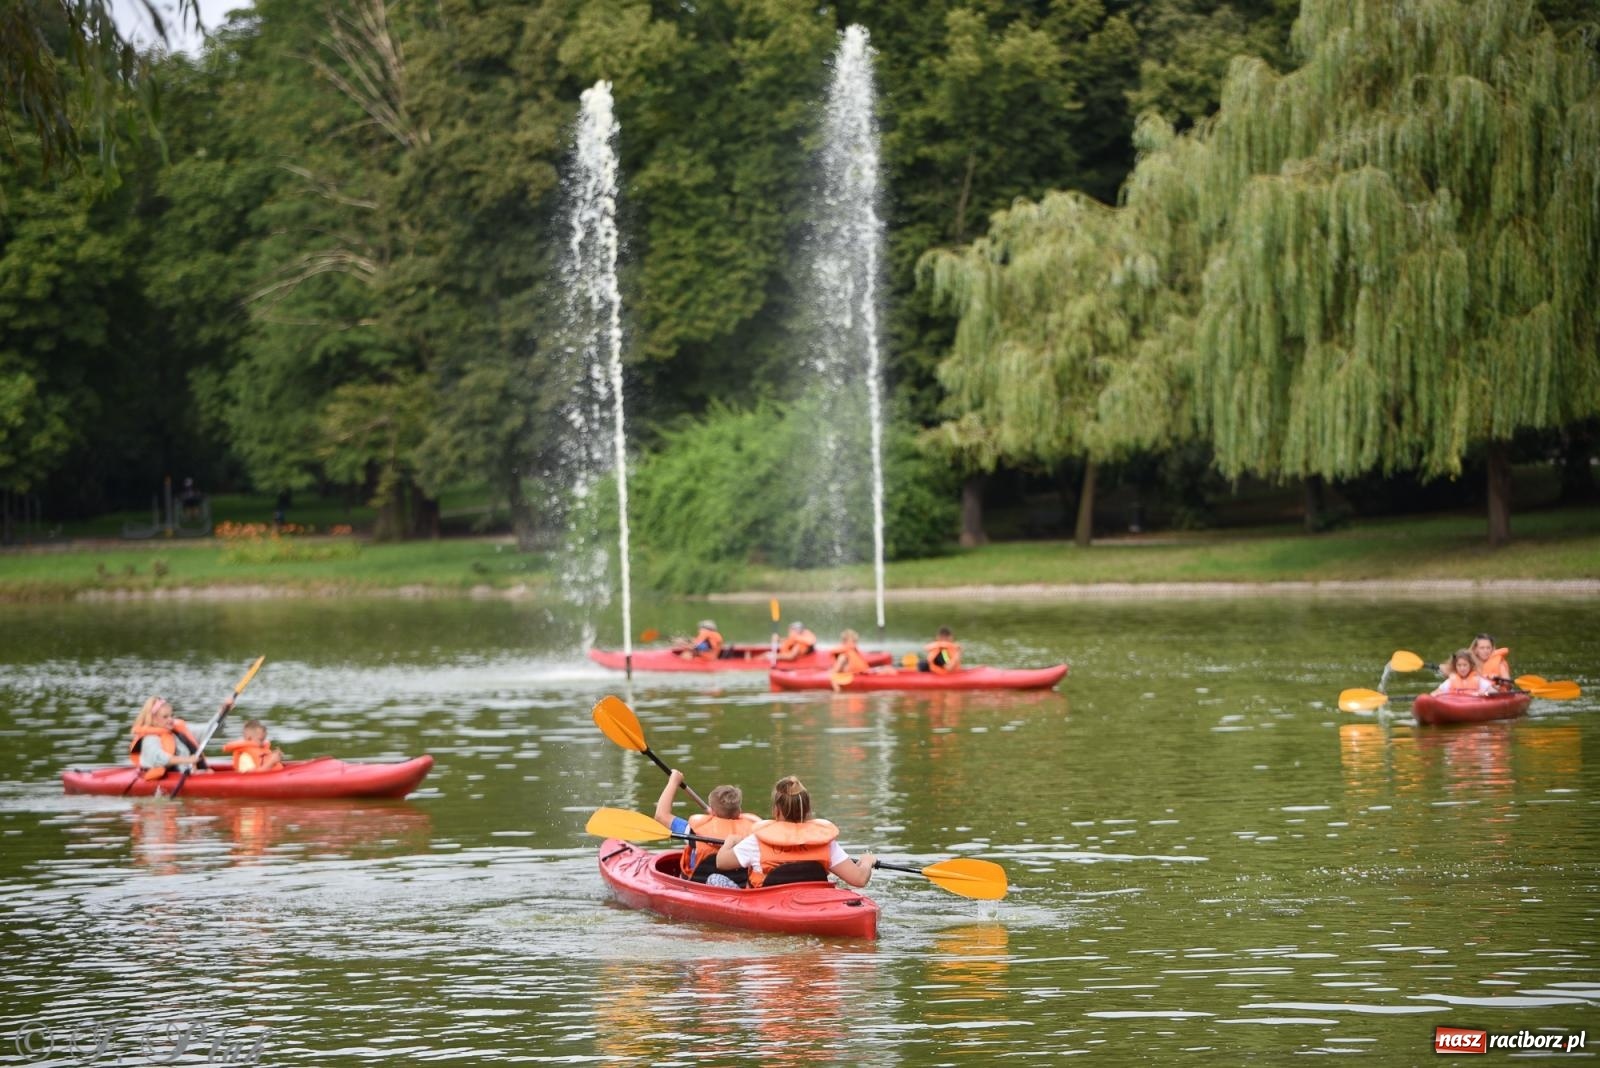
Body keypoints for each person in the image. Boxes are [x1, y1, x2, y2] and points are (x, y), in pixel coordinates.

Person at [715, 776, 876, 889]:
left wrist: (730, 841)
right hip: (812, 905)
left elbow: (721, 862)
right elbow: (860, 879)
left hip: (769, 907)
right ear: (808, 810)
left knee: (714, 879)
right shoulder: (824, 842)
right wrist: (867, 861)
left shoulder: (757, 841)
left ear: (776, 810)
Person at [653, 768, 757, 886]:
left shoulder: (693, 831)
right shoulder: (754, 831)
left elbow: (661, 815)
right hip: (741, 887)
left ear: (712, 811)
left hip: (699, 887)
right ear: (739, 810)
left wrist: (673, 782)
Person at [128, 696, 215, 781]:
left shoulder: (176, 730)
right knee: (207, 773)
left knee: (209, 772)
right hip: (165, 778)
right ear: (153, 719)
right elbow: (158, 759)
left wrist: (222, 712)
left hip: (184, 773)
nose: (171, 719)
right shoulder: (149, 739)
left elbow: (208, 730)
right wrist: (187, 760)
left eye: (171, 715)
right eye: (165, 717)